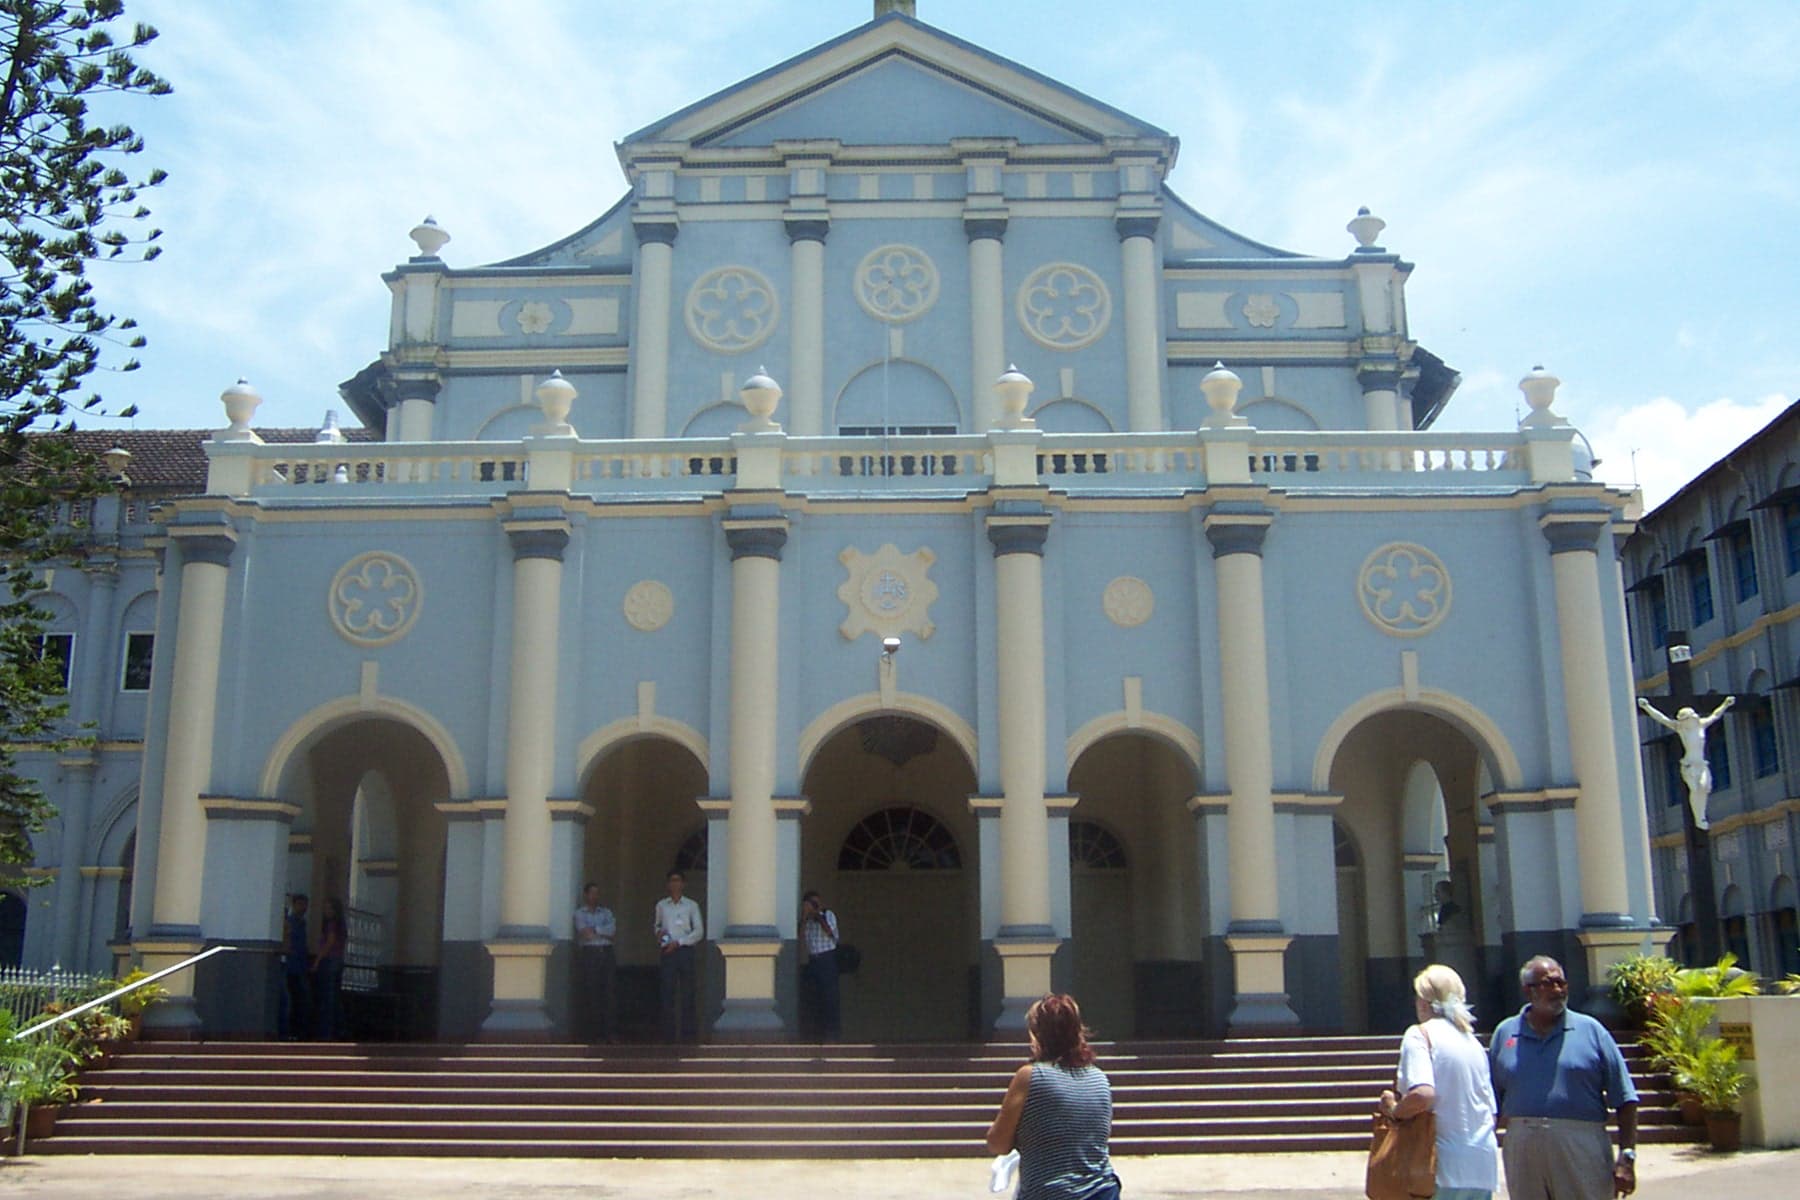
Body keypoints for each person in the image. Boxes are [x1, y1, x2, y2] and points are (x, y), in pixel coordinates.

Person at [1490, 955, 1639, 1200]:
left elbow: (1625, 1099)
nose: (1558, 990)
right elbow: (1492, 1099)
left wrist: (1627, 1156)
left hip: (1580, 1143)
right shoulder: (1505, 1033)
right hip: (1522, 1144)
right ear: (1528, 990)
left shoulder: (1591, 1030)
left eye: (1561, 983)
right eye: (1548, 984)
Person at [1378, 963, 1498, 1200]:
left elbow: (1423, 1094)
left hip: (1437, 1164)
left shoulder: (1419, 1034)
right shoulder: (1472, 1042)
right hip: (1482, 1164)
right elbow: (1491, 1111)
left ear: (1423, 1002)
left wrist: (1394, 1111)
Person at [986, 994, 1121, 1200]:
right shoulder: (1099, 1078)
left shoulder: (1031, 1076)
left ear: (1038, 1035)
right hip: (1102, 1191)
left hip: (1050, 1193)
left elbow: (997, 1143)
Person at [1636, 695, 1734, 830]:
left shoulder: (1701, 725)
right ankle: (1699, 818)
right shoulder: (1680, 728)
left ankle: (1701, 815)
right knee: (1695, 789)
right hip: (1689, 765)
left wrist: (1726, 704)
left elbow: (1715, 715)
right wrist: (1646, 707)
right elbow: (1661, 718)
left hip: (1701, 764)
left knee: (1704, 787)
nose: (1690, 720)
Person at [653, 870, 703, 1042]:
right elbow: (657, 926)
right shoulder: (662, 905)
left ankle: (688, 1035)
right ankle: (668, 1035)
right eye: (672, 881)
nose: (675, 884)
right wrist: (661, 936)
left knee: (688, 993)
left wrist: (680, 942)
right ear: (668, 884)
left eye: (678, 880)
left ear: (683, 884)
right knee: (667, 992)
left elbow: (698, 932)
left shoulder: (691, 905)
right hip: (667, 951)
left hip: (685, 951)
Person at [573, 882, 617, 1042]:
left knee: (608, 993)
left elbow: (612, 932)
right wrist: (602, 930)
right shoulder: (579, 913)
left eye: (597, 893)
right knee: (591, 992)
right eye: (592, 893)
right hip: (589, 953)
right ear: (586, 895)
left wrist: (595, 930)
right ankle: (592, 1034)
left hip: (606, 952)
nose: (595, 896)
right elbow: (584, 933)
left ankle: (609, 1032)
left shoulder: (606, 912)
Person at [800, 889, 841, 1041]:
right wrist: (805, 917)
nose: (814, 905)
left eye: (816, 902)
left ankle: (832, 1034)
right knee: (814, 997)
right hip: (813, 960)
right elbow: (800, 935)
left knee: (830, 996)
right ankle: (816, 1033)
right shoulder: (806, 920)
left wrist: (818, 914)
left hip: (827, 958)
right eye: (811, 903)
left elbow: (829, 932)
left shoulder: (828, 915)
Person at [312, 896, 346, 1040]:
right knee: (335, 998)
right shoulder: (341, 925)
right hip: (338, 961)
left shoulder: (331, 924)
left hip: (329, 961)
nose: (326, 911)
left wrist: (317, 960)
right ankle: (338, 1030)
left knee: (327, 998)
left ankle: (326, 1033)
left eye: (329, 908)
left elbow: (329, 942)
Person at [279, 893, 311, 1040]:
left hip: (300, 967)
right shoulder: (290, 922)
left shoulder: (302, 923)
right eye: (300, 904)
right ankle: (288, 1032)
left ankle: (298, 1032)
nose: (303, 908)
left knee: (300, 1001)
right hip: (289, 966)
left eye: (305, 905)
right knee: (289, 1000)